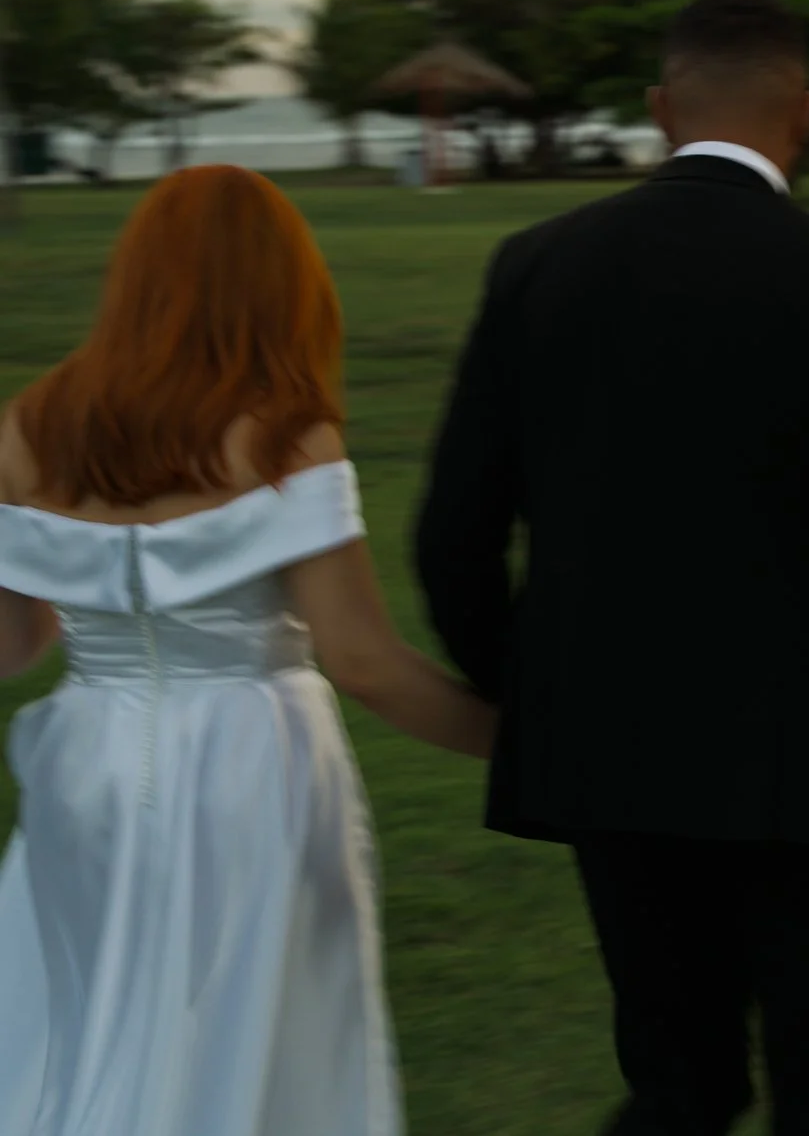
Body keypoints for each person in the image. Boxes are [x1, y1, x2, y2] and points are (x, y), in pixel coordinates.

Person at [414, 0, 809, 1136]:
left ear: (660, 107)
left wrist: (531, 692)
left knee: (676, 1087)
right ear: (806, 113)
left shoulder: (536, 266)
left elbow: (450, 536)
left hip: (609, 760)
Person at [0, 165, 498, 1136]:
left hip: (86, 763)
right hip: (250, 765)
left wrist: (102, 584)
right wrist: (519, 741)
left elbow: (14, 643)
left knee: (85, 1020)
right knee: (248, 1037)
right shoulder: (285, 436)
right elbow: (362, 661)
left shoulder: (25, 426)